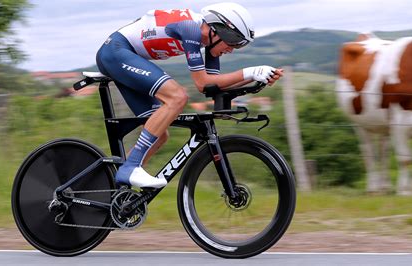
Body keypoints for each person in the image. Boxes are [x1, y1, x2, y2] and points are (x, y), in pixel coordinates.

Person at [96, 2, 283, 188]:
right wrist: (249, 72)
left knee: (159, 135)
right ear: (219, 31)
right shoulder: (191, 29)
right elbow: (201, 82)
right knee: (177, 97)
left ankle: (112, 191)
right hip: (116, 52)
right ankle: (130, 167)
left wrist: (257, 79)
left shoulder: (210, 40)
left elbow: (211, 87)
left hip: (126, 58)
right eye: (233, 42)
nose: (232, 49)